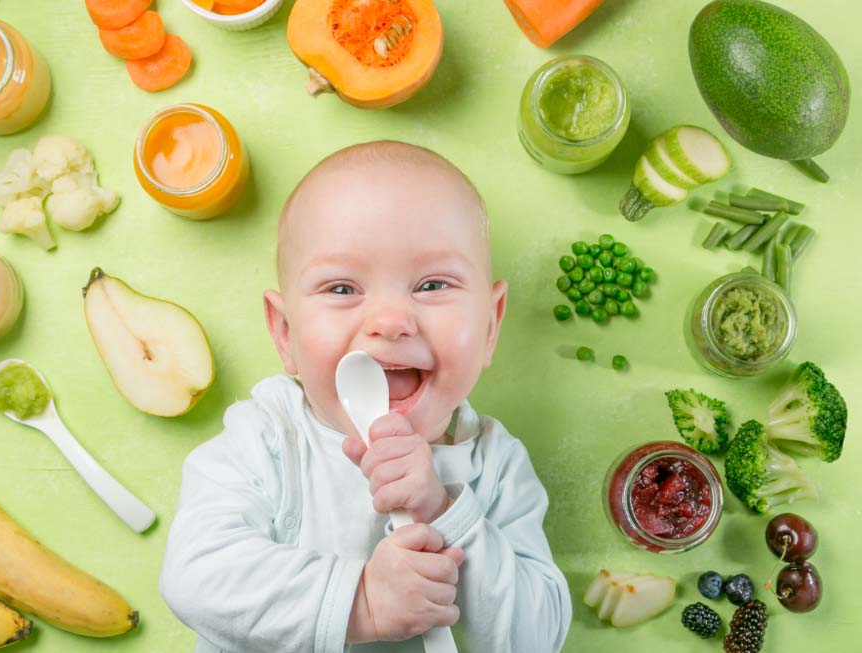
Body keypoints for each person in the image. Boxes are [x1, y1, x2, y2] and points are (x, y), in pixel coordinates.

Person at [160, 140, 572, 652]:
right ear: (286, 334)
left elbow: (539, 638)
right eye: (341, 289)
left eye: (432, 284)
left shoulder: (496, 467)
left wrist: (443, 511)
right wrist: (363, 601)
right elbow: (195, 576)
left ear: (490, 325)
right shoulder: (265, 436)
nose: (390, 321)